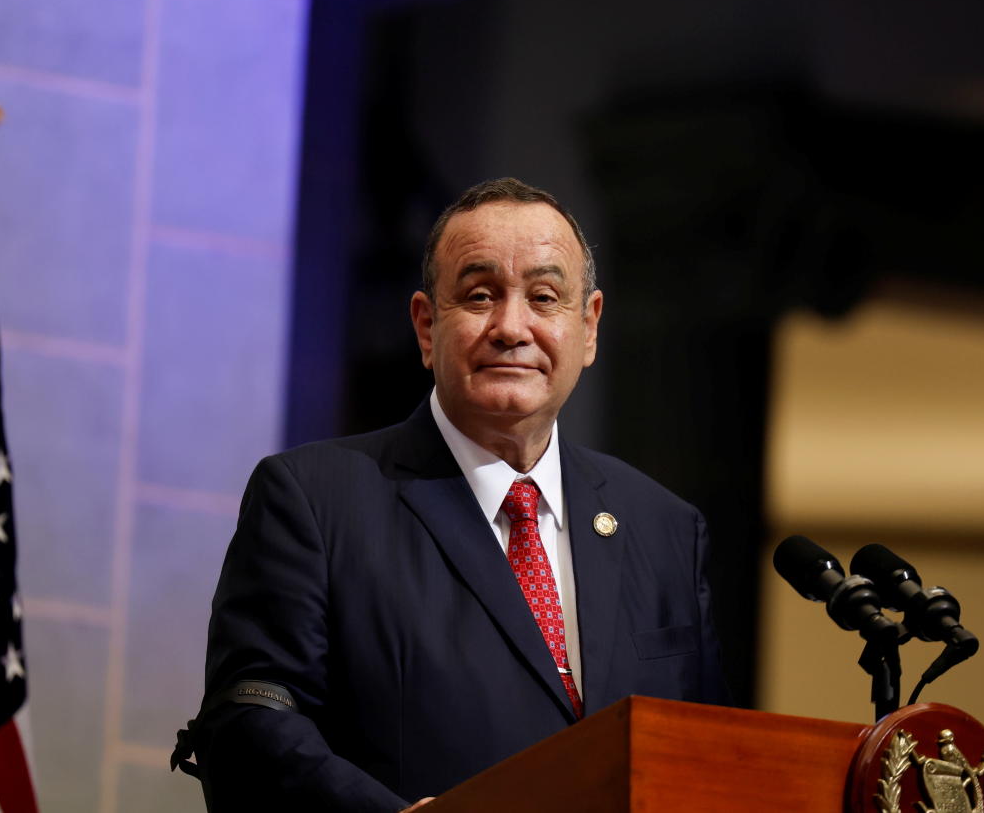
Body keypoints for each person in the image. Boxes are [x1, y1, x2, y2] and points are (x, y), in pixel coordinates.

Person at [189, 178, 728, 811]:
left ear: (588, 327)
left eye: (544, 297)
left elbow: (707, 755)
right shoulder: (314, 499)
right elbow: (248, 728)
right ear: (426, 325)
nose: (511, 327)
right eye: (479, 296)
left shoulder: (663, 528)